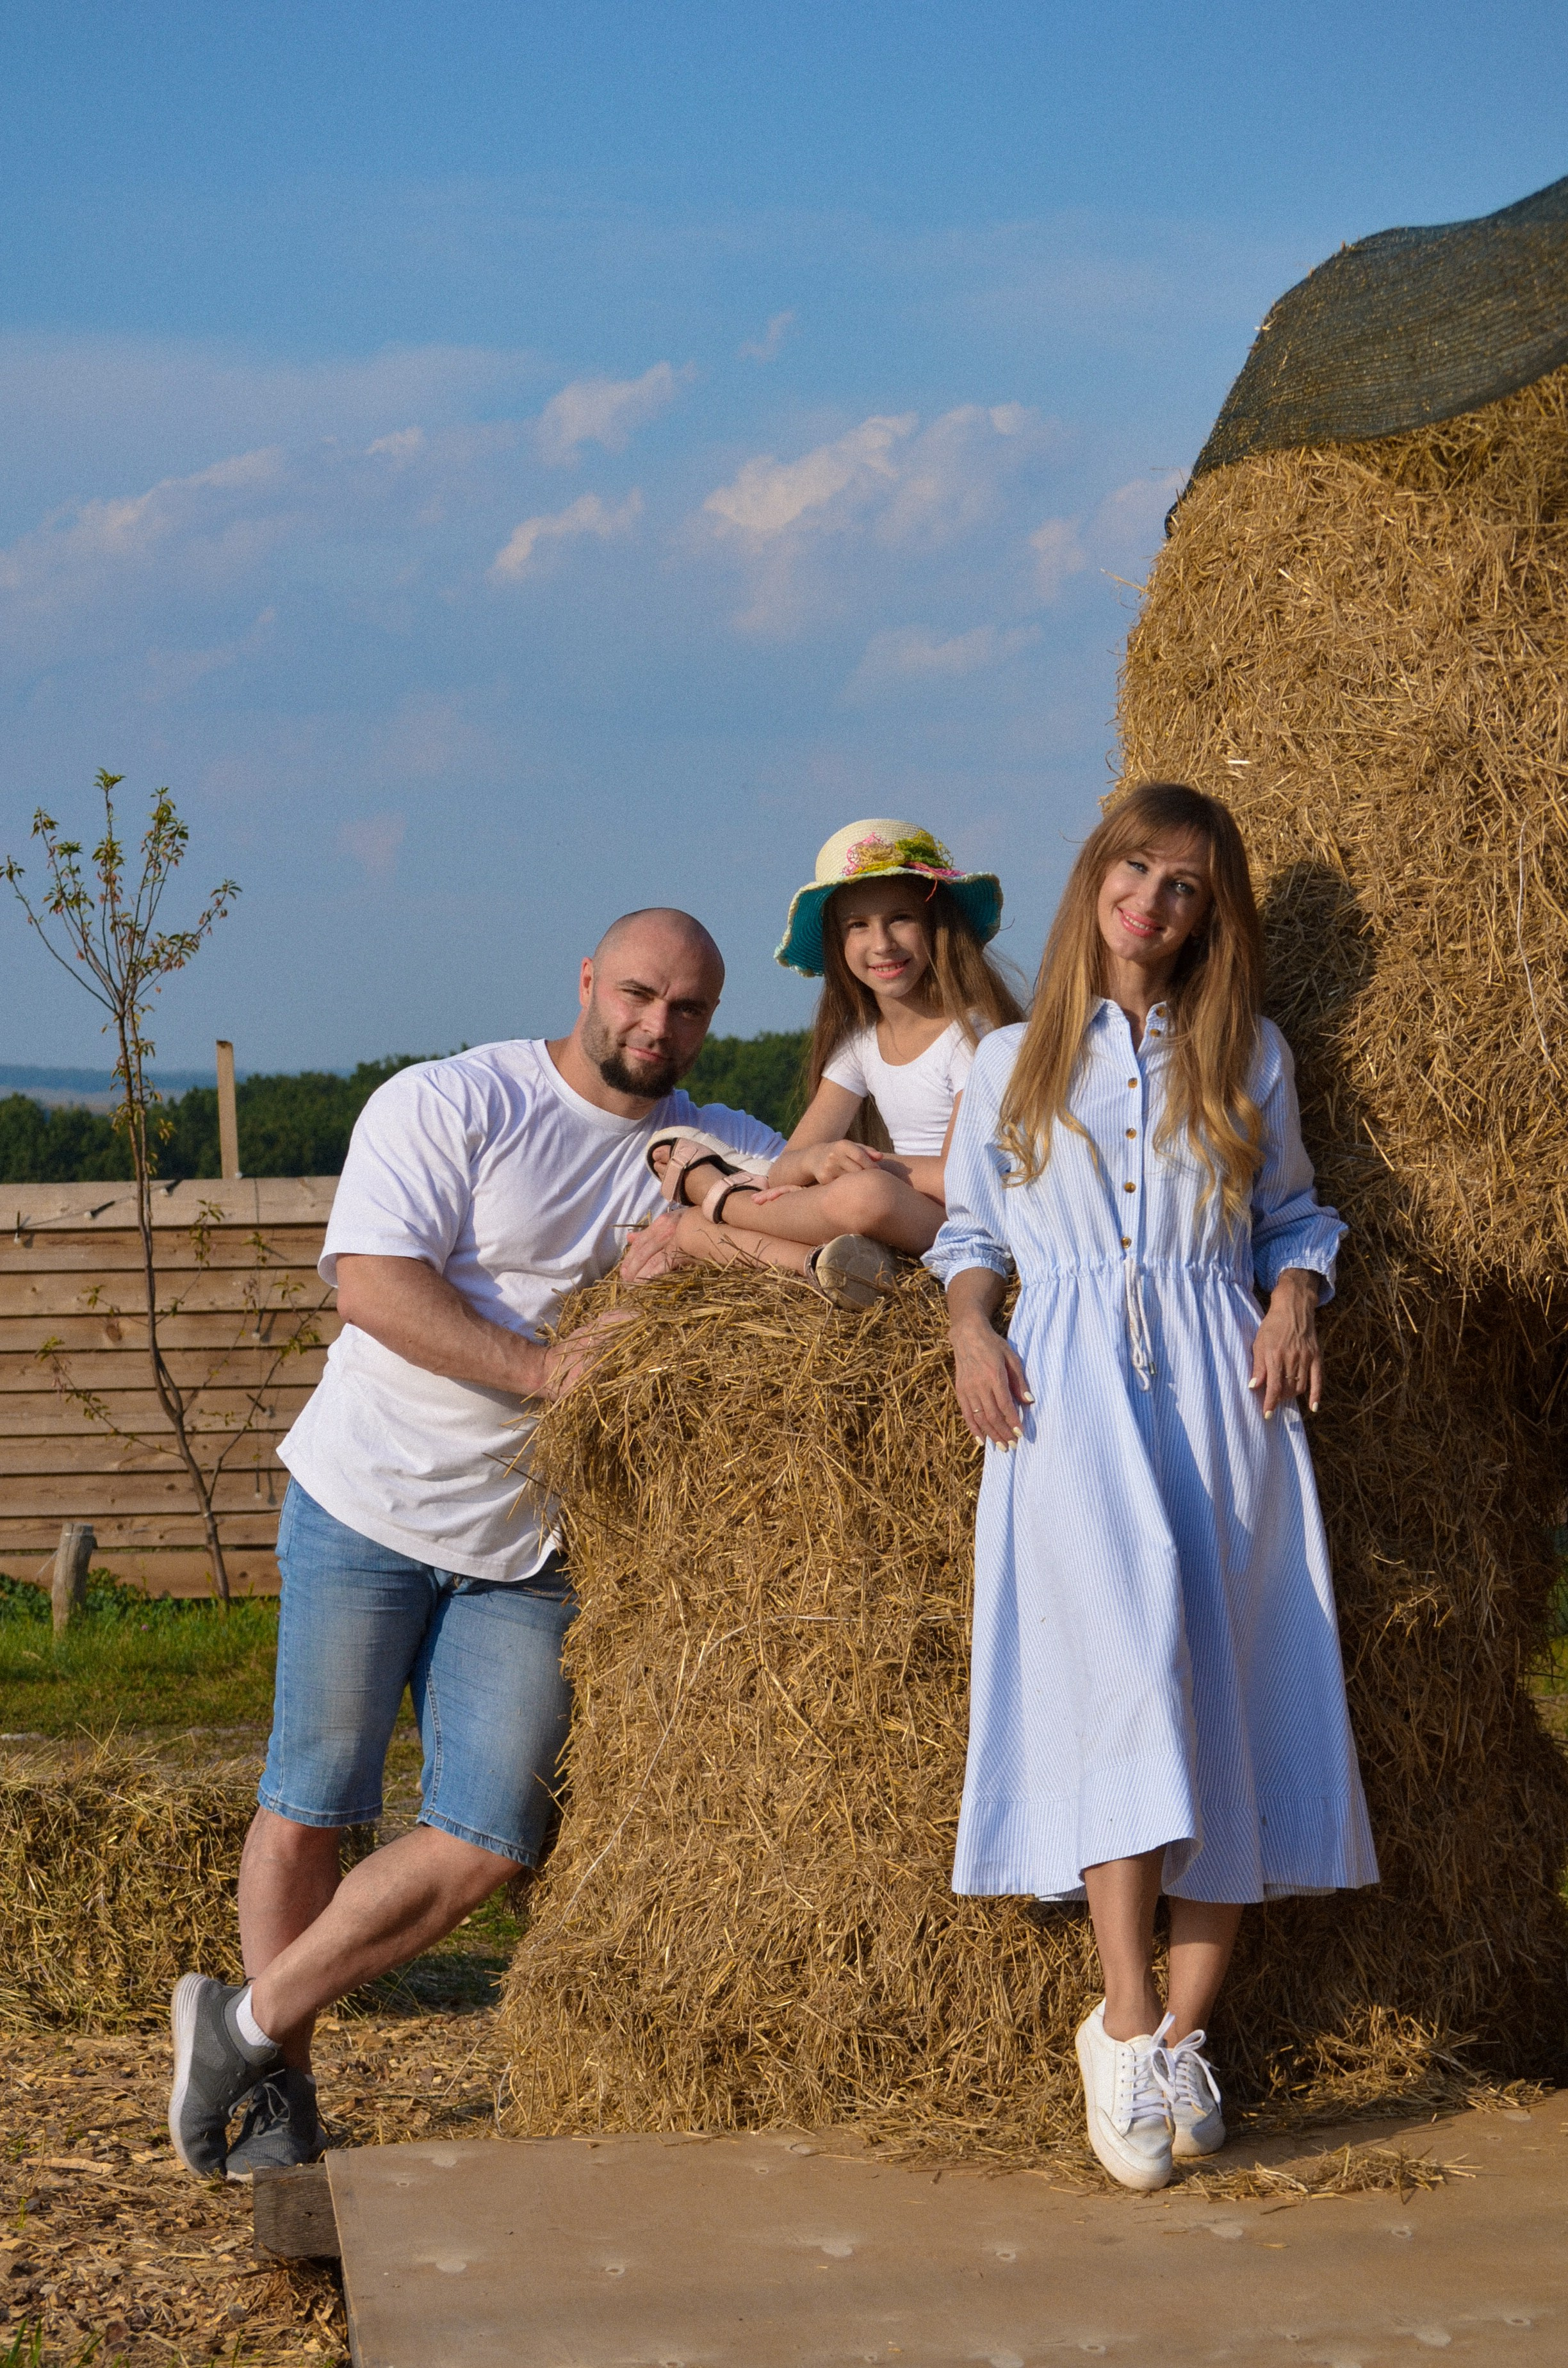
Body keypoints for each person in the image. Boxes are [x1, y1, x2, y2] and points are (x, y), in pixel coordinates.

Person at [167, 909, 783, 2181]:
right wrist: (554, 1370)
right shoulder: (455, 1101)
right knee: (311, 1808)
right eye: (637, 994)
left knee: (493, 1838)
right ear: (586, 982)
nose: (656, 1026)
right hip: (367, 1505)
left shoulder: (715, 1147)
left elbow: (851, 1208)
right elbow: (373, 1285)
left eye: (688, 1010)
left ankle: (244, 2025)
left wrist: (708, 1227)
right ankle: (286, 2097)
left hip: (530, 1549)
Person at [928, 782, 1377, 2193]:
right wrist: (967, 1329)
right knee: (1122, 1682)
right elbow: (970, 1227)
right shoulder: (1010, 1060)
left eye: (1186, 887)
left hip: (1218, 1392)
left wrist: (1295, 1295)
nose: (1155, 902)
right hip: (1064, 1392)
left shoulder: (1249, 1053)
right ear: (1096, 879)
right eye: (1137, 871)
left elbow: (1296, 1207)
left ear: (1208, 916)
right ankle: (1121, 2021)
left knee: (1230, 1695)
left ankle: (1177, 2038)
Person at [627, 820, 1022, 1309]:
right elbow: (787, 1168)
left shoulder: (974, 1036)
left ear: (937, 925)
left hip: (968, 1226)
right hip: (899, 1222)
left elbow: (960, 1180)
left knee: (865, 1196)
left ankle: (722, 1199)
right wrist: (818, 1160)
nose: (881, 943)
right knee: (718, 1224)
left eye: (900, 918)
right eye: (857, 925)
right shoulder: (859, 1046)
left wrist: (861, 1162)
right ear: (838, 944)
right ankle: (812, 1264)